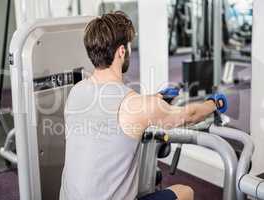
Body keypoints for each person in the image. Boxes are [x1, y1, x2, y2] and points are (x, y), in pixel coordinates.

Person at [60, 11, 226, 200]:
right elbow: (191, 115)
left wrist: (153, 99)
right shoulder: (135, 106)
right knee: (185, 192)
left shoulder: (76, 92)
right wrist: (214, 103)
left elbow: (111, 108)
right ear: (122, 51)